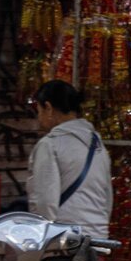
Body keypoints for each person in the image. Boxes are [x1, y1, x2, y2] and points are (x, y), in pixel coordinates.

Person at [24, 81, 111, 237]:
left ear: (48, 108)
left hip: (66, 240)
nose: (38, 118)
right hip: (99, 237)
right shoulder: (97, 144)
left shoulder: (50, 145)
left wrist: (43, 240)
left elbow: (45, 202)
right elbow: (107, 197)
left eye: (39, 111)